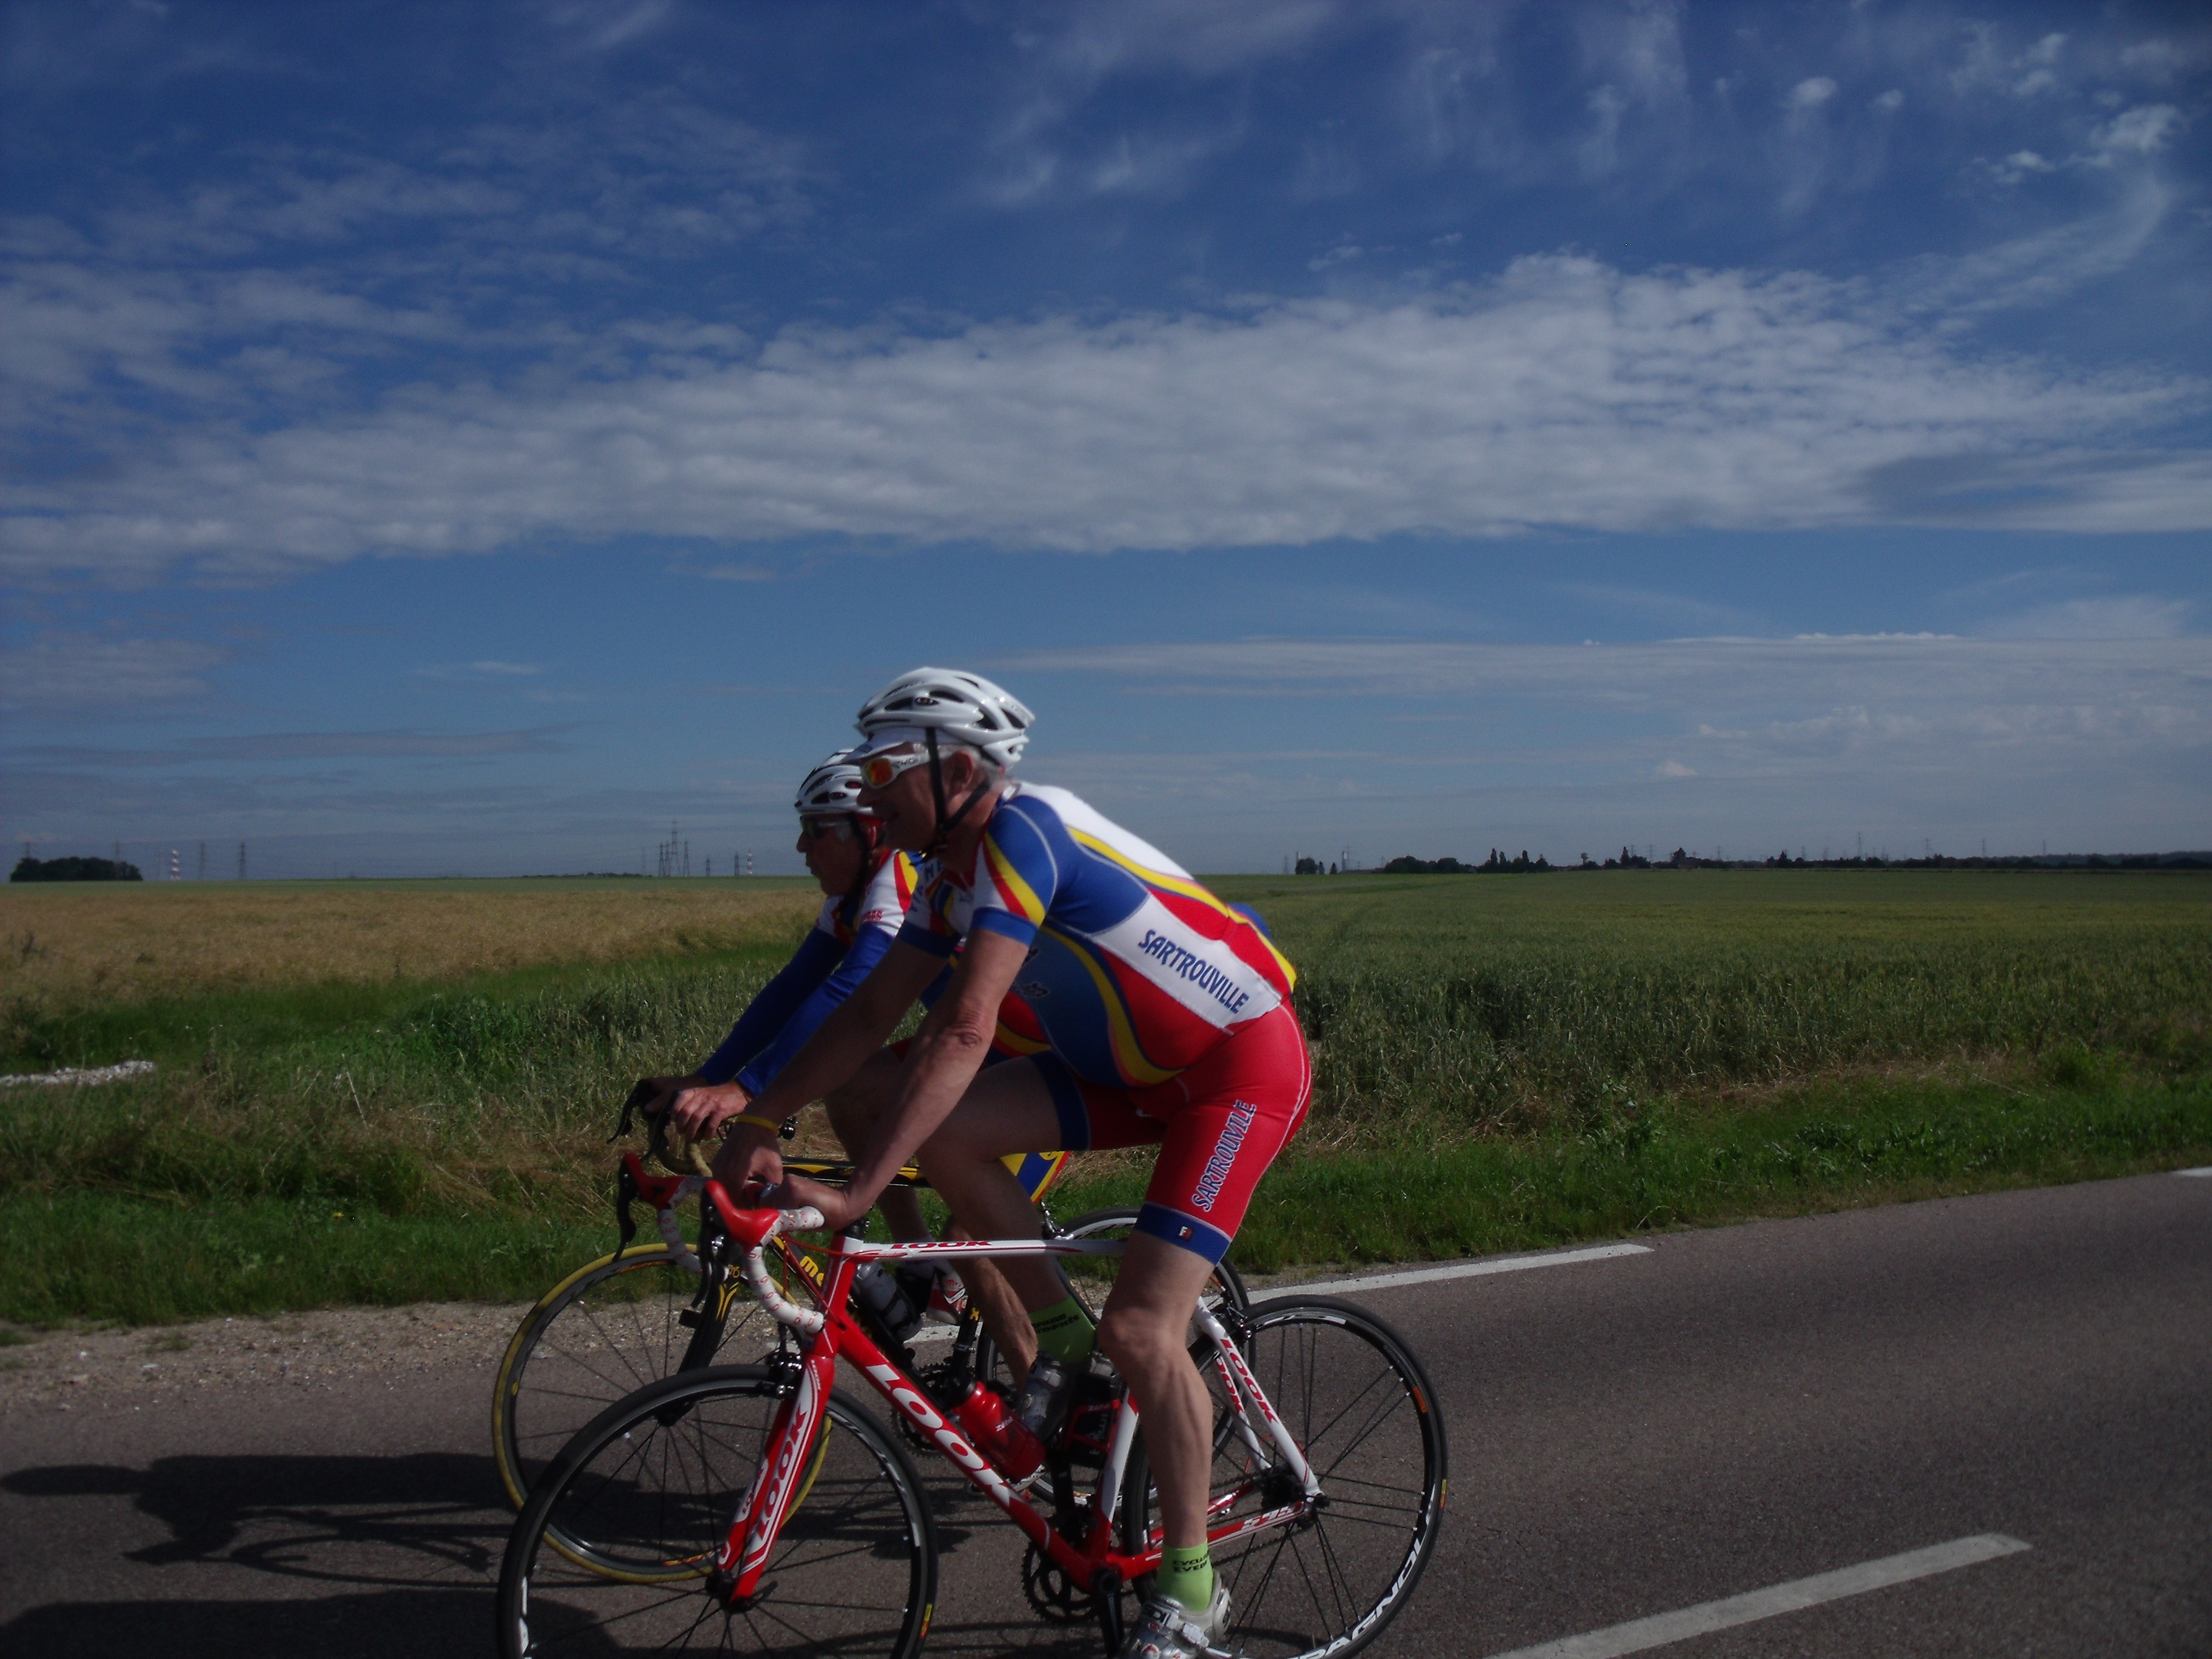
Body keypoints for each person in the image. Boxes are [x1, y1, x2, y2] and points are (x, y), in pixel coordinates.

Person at [691, 667, 1309, 1658]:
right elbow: (870, 1013)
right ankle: (1059, 1335)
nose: (872, 792)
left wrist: (857, 1193)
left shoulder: (1028, 833)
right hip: (1126, 1072)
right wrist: (761, 1114)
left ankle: (1193, 1593)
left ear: (960, 771)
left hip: (1235, 1068)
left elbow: (963, 1028)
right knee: (948, 1136)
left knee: (1144, 1328)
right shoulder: (948, 877)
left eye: (886, 769)